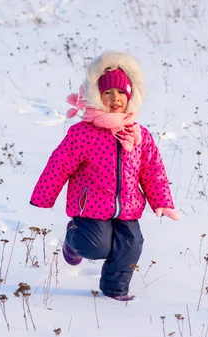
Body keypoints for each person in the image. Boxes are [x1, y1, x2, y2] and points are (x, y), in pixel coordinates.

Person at [30, 51, 180, 301]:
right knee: (96, 247)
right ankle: (72, 239)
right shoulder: (84, 133)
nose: (115, 98)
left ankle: (115, 290)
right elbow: (59, 164)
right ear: (97, 96)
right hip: (91, 206)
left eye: (121, 93)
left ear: (130, 96)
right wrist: (44, 196)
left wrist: (162, 201)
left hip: (129, 207)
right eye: (108, 93)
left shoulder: (138, 133)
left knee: (131, 246)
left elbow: (153, 170)